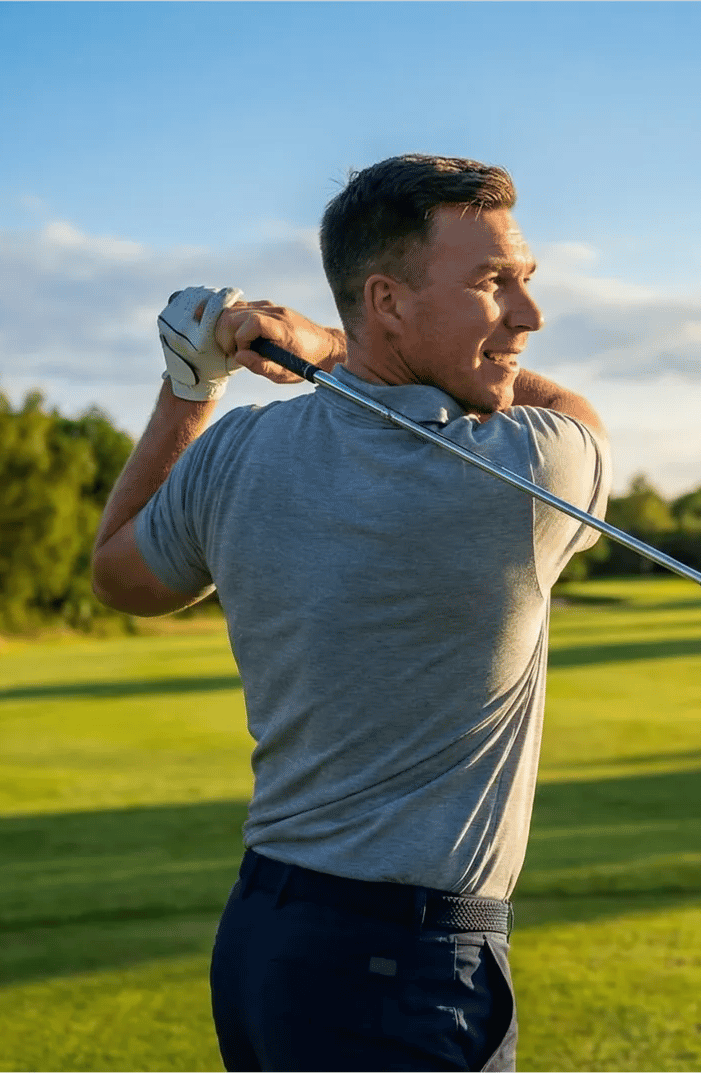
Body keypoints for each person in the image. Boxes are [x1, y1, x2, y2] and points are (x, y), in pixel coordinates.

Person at [90, 154, 611, 1072]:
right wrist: (331, 347)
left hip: (264, 942)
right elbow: (577, 414)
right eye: (494, 286)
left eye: (527, 282)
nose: (529, 317)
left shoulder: (236, 451)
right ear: (387, 300)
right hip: (407, 969)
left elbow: (121, 575)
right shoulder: (526, 472)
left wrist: (190, 383)